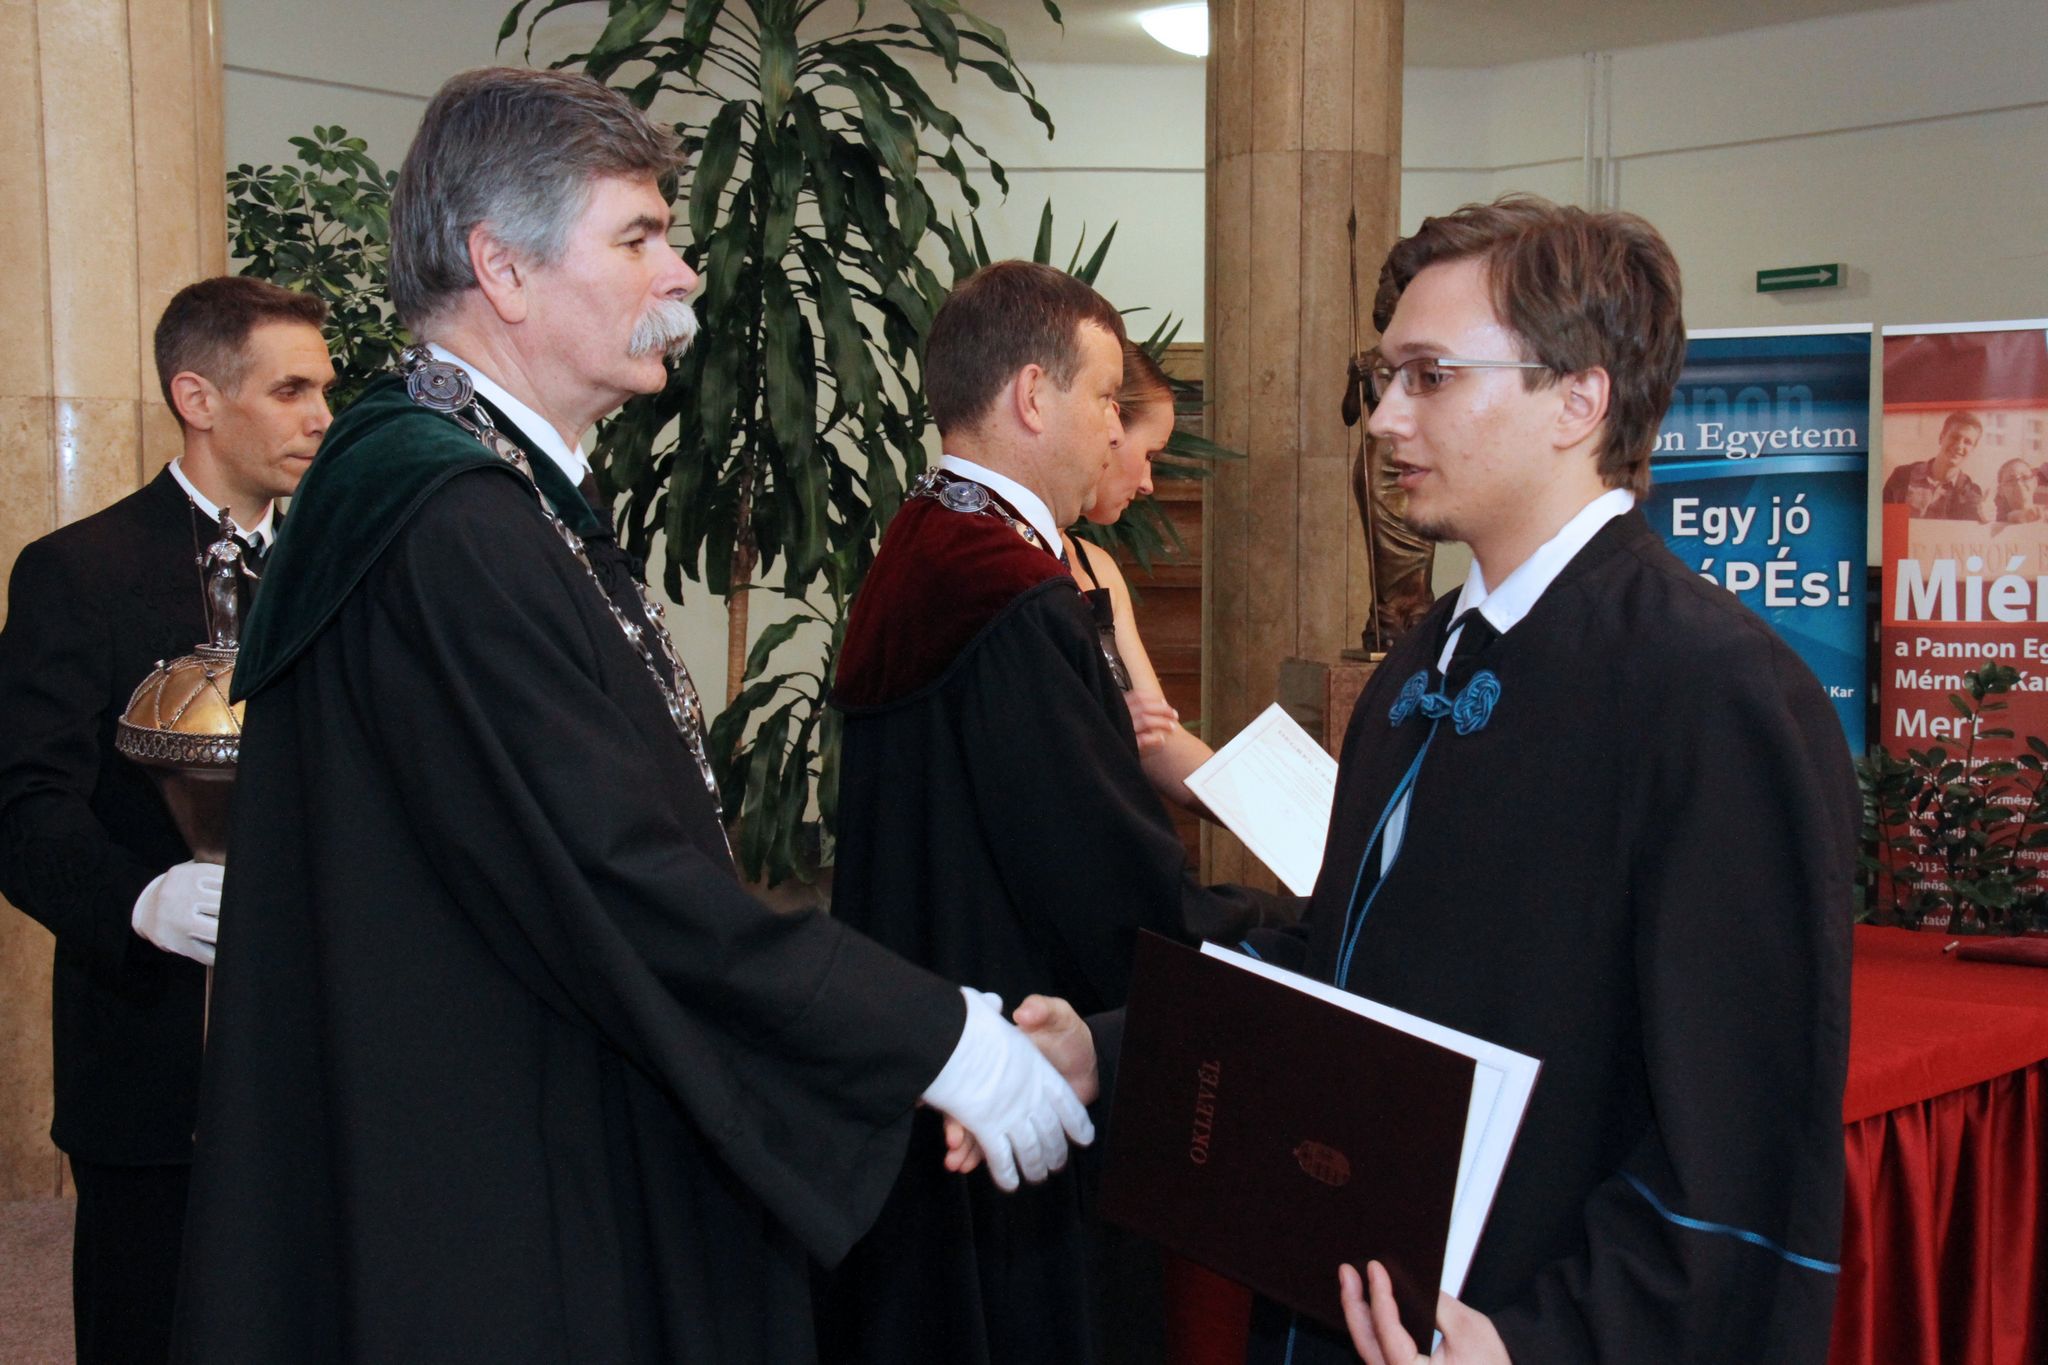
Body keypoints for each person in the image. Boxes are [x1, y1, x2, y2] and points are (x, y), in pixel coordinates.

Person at [171, 68, 1089, 1365]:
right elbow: (617, 873)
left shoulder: (466, 481)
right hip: (494, 1166)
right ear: (502, 268)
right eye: (638, 236)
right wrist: (940, 1041)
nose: (683, 274)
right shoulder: (450, 521)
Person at [986, 196, 1857, 1365]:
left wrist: (1536, 1344)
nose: (1386, 417)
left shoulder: (1714, 694)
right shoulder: (1420, 665)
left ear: (1578, 399)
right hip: (1343, 1304)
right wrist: (1111, 1047)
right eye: (1383, 376)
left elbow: (1740, 1147)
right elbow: (1338, 969)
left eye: (1430, 376)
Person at [819, 261, 1284, 1365]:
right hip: (1018, 1069)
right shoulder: (1008, 589)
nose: (1116, 429)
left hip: (927, 1040)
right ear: (1033, 395)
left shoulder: (921, 541)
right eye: (1105, 398)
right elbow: (1104, 889)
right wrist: (1273, 940)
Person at [0, 276, 331, 1365]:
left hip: (322, 1041)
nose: (321, 416)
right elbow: (22, 803)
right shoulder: (77, 572)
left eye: (323, 389)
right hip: (147, 1051)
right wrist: (138, 899)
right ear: (197, 397)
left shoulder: (345, 573)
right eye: (290, 390)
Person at [1062, 341, 1216, 816]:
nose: (1148, 482)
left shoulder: (1096, 566)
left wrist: (1280, 815)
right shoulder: (997, 559)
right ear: (1105, 429)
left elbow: (1159, 739)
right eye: (1149, 454)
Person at [1881, 410, 1990, 520]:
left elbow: (1977, 525)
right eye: (1955, 437)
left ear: (1973, 449)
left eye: (1967, 442)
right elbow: (1882, 519)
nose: (1959, 446)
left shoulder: (1971, 493)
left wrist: (1987, 516)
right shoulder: (1902, 476)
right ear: (1941, 438)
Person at [1992, 456, 2044, 522]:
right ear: (2000, 490)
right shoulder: (1994, 521)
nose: (2019, 484)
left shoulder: (2045, 516)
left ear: (2035, 482)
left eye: (2025, 477)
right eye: (2011, 480)